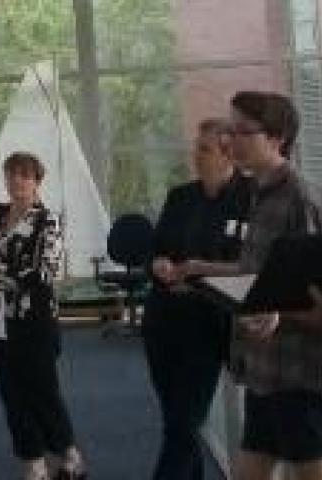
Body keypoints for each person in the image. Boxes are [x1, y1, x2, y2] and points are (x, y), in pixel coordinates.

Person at [185, 91, 322, 480]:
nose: (230, 141)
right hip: (264, 372)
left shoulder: (299, 198)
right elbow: (260, 275)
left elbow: (314, 297)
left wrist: (279, 312)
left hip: (298, 377)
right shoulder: (259, 193)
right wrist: (202, 271)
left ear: (277, 139)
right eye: (229, 130)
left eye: (243, 131)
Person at [142, 118, 254, 480]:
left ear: (228, 155)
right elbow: (157, 250)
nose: (196, 155)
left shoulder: (251, 198)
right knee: (177, 419)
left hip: (207, 324)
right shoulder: (181, 196)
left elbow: (248, 265)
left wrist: (197, 276)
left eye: (204, 149)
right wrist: (158, 264)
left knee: (183, 421)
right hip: (163, 320)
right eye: (197, 147)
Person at [0, 151, 87, 480]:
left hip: (34, 320)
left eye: (24, 175)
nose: (16, 181)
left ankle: (69, 454)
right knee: (11, 394)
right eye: (11, 175)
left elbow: (43, 273)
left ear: (37, 181)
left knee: (42, 392)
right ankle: (33, 462)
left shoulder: (47, 221)